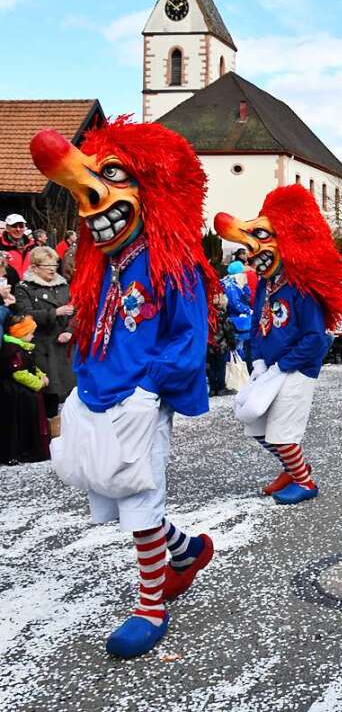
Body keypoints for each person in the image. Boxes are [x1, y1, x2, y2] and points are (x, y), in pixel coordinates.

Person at [29, 121, 218, 659]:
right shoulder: (104, 266)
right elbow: (94, 325)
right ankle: (186, 552)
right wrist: (84, 376)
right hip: (98, 392)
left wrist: (150, 389)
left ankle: (150, 607)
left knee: (139, 500)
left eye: (113, 177)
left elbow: (189, 335)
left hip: (140, 398)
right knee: (111, 492)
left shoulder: (172, 260)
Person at [214, 184, 342, 505]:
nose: (253, 255)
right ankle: (292, 469)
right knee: (258, 428)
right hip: (270, 369)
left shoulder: (301, 289)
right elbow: (261, 326)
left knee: (282, 435)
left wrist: (282, 368)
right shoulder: (267, 283)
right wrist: (258, 361)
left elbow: (316, 339)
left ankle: (304, 481)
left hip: (297, 371)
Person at [13, 246, 76, 415]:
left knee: (69, 392)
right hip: (41, 347)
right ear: (34, 267)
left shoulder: (63, 285)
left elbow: (76, 311)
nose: (52, 270)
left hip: (65, 347)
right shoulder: (24, 288)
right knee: (48, 394)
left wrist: (70, 330)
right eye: (47, 266)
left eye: (54, 265)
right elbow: (25, 314)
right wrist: (54, 313)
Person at [0, 315, 51, 465]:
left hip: (25, 393)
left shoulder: (23, 348)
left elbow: (32, 367)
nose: (33, 336)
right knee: (20, 423)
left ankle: (33, 449)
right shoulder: (13, 351)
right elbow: (19, 373)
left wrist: (42, 376)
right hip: (17, 394)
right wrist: (38, 383)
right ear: (21, 334)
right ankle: (23, 451)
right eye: (30, 333)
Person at [222, 261, 253, 366]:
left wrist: (245, 286)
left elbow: (247, 297)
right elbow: (235, 304)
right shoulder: (230, 286)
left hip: (238, 320)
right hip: (234, 322)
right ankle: (238, 368)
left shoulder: (238, 283)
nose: (245, 274)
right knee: (237, 347)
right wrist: (248, 310)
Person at [206, 293, 236, 397]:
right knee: (220, 367)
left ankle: (213, 388)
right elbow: (228, 330)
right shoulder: (222, 315)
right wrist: (232, 344)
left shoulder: (206, 314)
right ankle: (221, 387)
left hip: (209, 345)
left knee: (211, 367)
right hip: (221, 345)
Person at [1, 213, 37, 278]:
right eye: (14, 226)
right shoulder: (1, 245)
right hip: (8, 286)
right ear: (7, 228)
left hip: (28, 286)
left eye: (21, 226)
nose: (18, 229)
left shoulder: (32, 245)